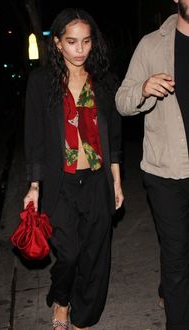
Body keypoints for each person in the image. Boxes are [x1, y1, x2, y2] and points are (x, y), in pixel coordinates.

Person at [23, 8, 124, 330]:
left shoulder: (104, 82)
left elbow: (116, 135)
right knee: (68, 253)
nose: (80, 49)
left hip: (97, 181)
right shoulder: (41, 82)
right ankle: (62, 298)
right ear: (57, 44)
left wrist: (117, 182)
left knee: (95, 255)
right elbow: (34, 137)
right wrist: (34, 186)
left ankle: (83, 317)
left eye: (86, 41)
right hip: (60, 183)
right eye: (71, 42)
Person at [115, 1, 189, 329]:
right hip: (166, 172)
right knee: (177, 258)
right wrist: (143, 89)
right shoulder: (152, 43)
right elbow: (121, 101)